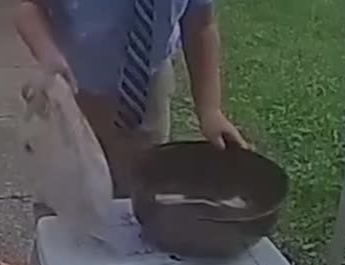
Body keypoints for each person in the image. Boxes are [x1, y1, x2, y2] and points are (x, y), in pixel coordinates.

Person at [14, 0, 248, 198]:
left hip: (146, 85)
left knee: (141, 186)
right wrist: (47, 52)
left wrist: (210, 110)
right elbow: (27, 5)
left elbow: (200, 26)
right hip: (71, 82)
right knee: (64, 192)